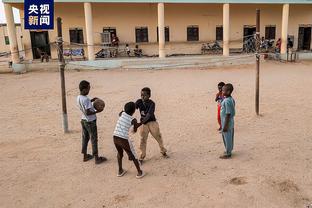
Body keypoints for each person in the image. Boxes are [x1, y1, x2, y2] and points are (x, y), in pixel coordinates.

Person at [77, 80, 107, 164]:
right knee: (94, 139)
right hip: (90, 121)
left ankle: (85, 156)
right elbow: (88, 112)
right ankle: (97, 158)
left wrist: (92, 100)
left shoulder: (79, 97)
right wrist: (98, 111)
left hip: (83, 120)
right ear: (84, 89)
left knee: (85, 138)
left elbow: (84, 106)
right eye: (88, 88)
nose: (89, 90)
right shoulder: (86, 99)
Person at [113, 102, 145, 179]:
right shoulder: (133, 119)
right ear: (134, 111)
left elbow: (121, 112)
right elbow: (135, 129)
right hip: (123, 139)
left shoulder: (122, 113)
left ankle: (120, 170)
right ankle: (139, 172)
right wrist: (141, 122)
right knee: (132, 154)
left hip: (115, 137)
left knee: (119, 153)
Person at [135, 87, 168, 163]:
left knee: (158, 137)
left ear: (149, 96)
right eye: (141, 95)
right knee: (143, 139)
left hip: (152, 122)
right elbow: (133, 107)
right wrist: (124, 111)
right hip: (143, 124)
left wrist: (139, 124)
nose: (142, 97)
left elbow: (149, 115)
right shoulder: (139, 101)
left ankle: (163, 151)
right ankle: (142, 156)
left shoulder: (152, 103)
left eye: (145, 95)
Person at [220, 83, 236, 159]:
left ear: (228, 92)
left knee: (227, 137)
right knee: (230, 136)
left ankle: (228, 153)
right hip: (230, 122)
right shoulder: (231, 99)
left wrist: (225, 126)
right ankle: (229, 149)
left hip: (227, 122)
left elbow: (228, 114)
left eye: (223, 90)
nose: (222, 92)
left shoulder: (226, 101)